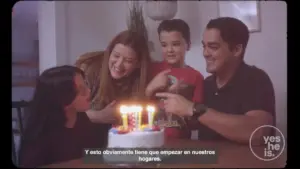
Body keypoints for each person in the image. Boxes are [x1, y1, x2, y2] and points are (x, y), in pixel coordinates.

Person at [156, 17, 275, 145]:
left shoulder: (255, 79)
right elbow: (198, 123)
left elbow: (258, 132)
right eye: (204, 46)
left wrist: (193, 109)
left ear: (236, 50)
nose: (205, 53)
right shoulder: (207, 83)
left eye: (213, 47)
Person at [75, 5, 151, 126]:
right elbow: (68, 112)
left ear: (138, 64)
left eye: (128, 61)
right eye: (116, 56)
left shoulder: (140, 79)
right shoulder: (89, 69)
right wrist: (99, 116)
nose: (119, 65)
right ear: (109, 53)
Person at [19, 65, 105, 167]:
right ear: (63, 98)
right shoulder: (40, 134)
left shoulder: (82, 118)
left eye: (86, 85)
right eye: (82, 91)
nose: (89, 92)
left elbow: (95, 156)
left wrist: (126, 155)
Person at [145, 19, 204, 139]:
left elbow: (197, 121)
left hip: (180, 143)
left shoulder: (196, 77)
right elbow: (135, 106)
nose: (169, 50)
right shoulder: (150, 70)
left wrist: (183, 102)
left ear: (188, 45)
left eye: (176, 44)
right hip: (149, 139)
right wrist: (151, 87)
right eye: (164, 45)